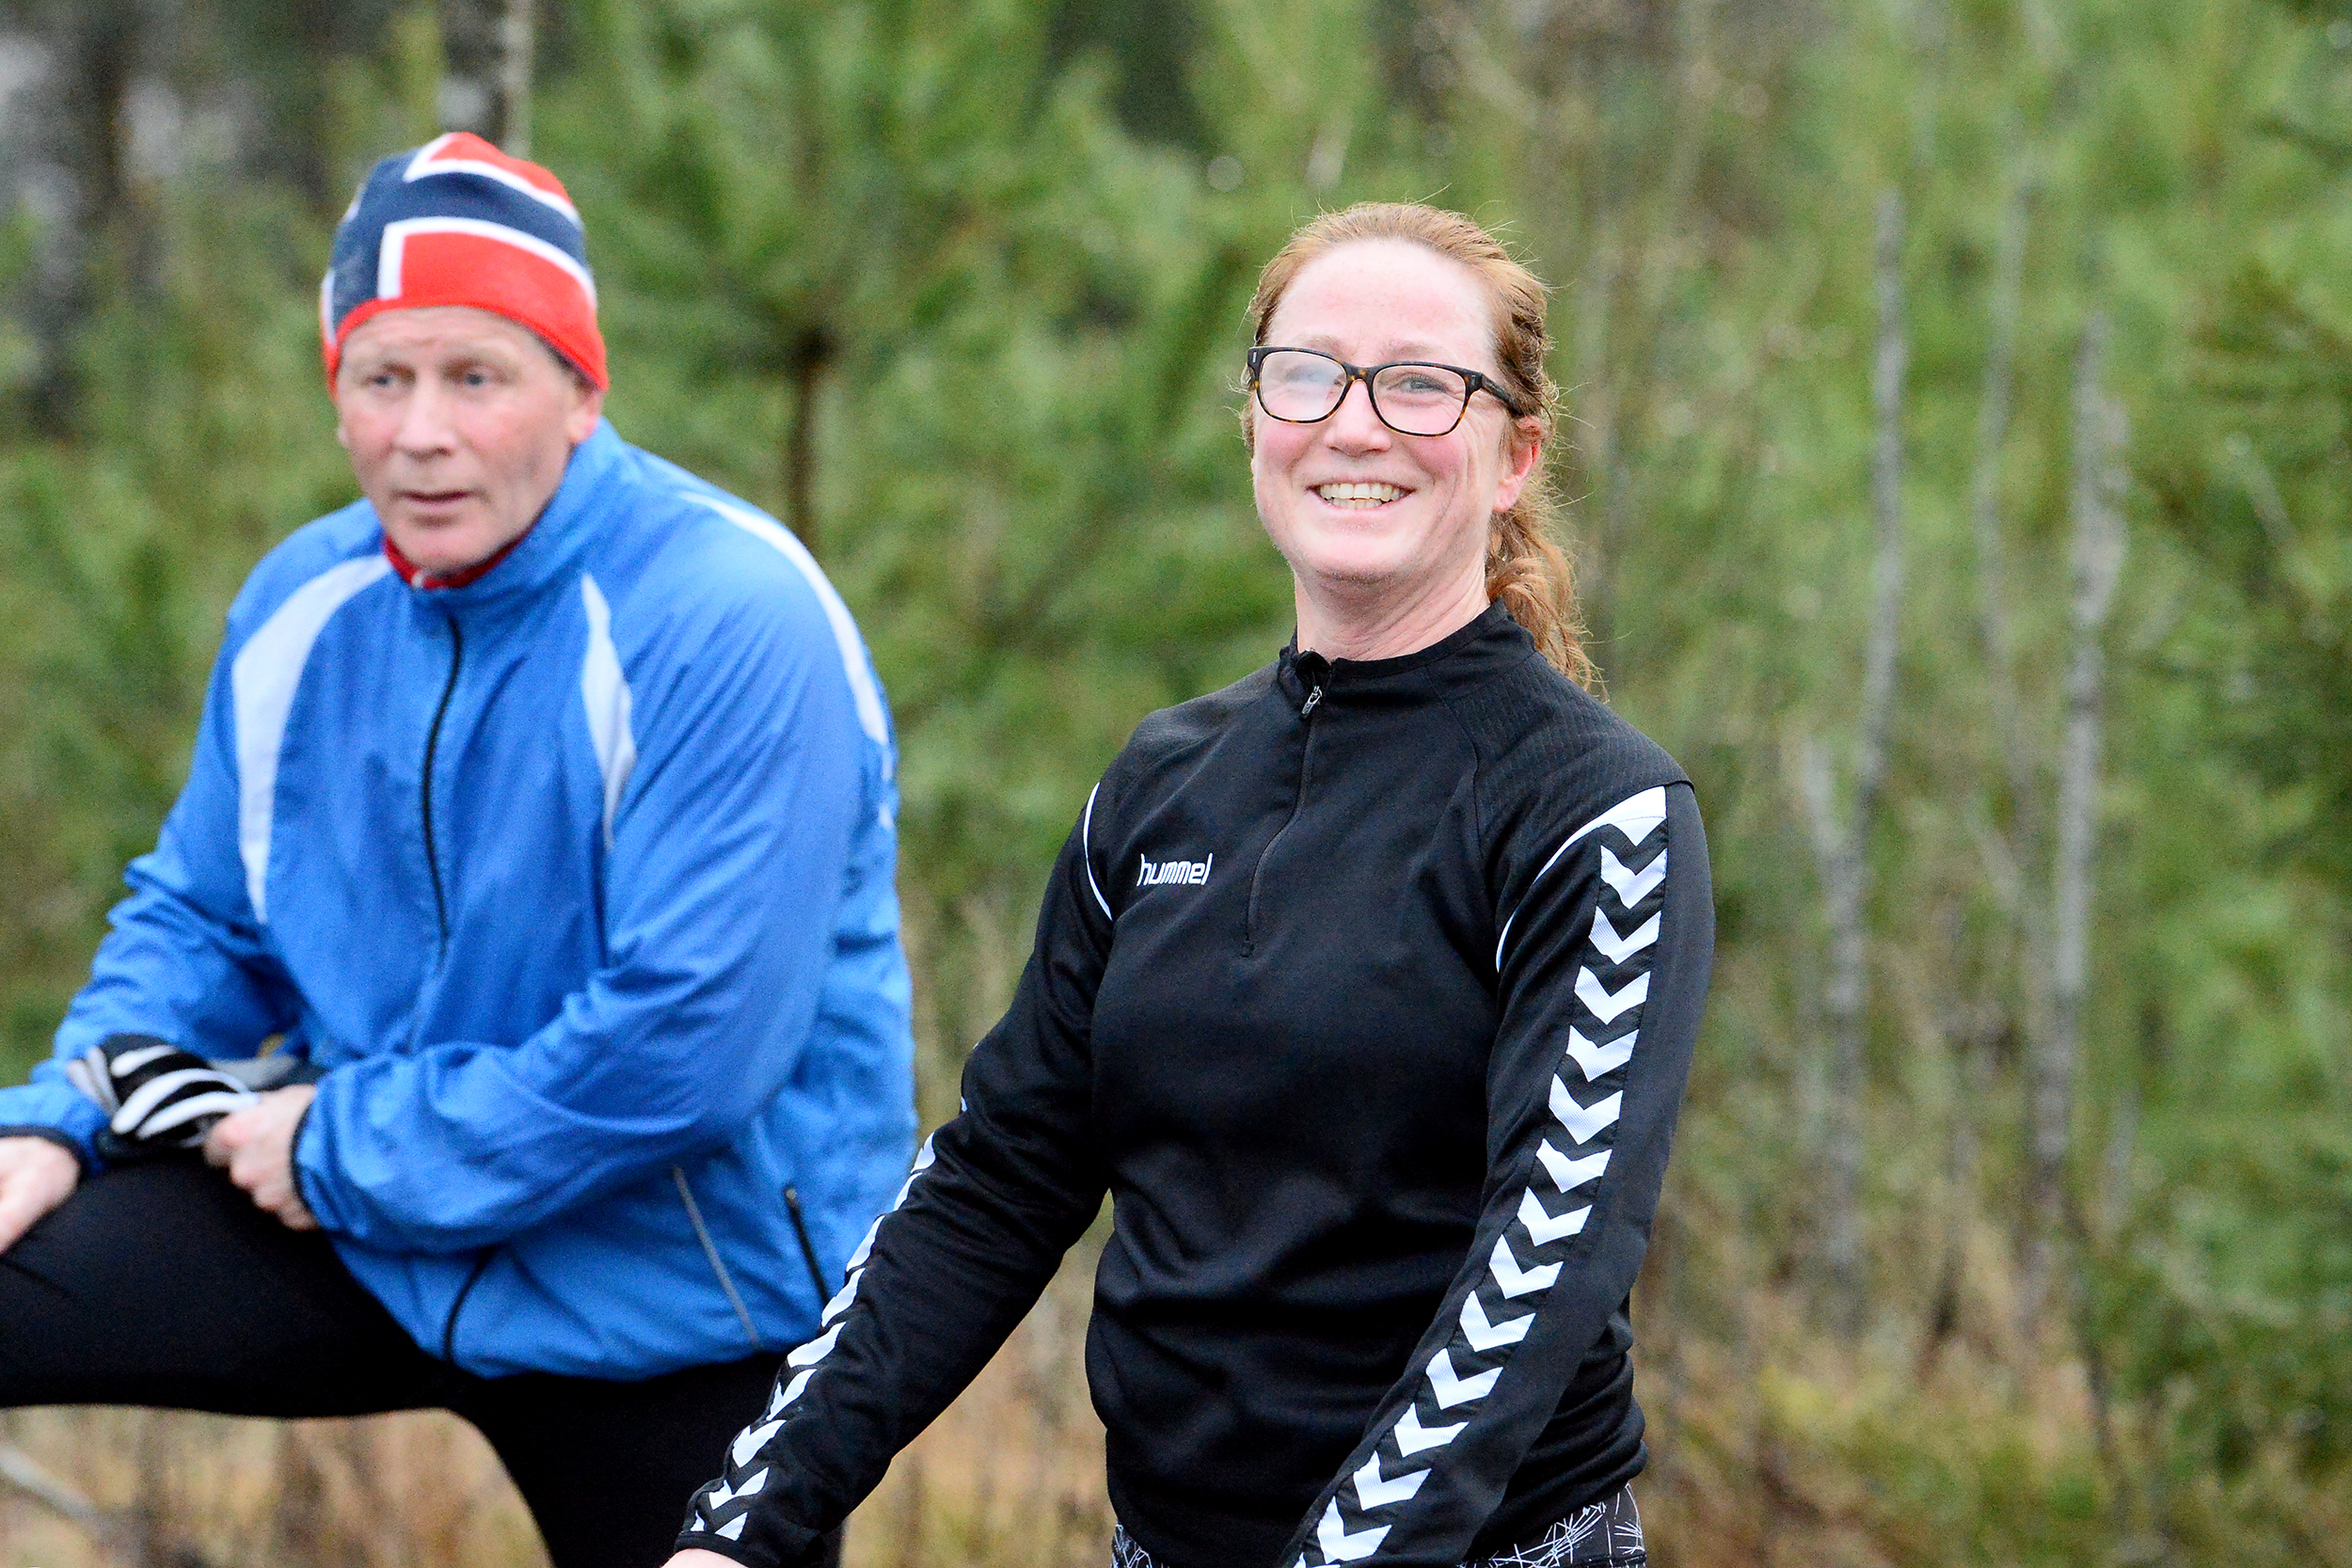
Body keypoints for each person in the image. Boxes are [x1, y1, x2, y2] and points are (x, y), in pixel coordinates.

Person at [666, 201, 1713, 1568]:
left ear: (1515, 453)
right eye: (1307, 373)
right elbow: (996, 1185)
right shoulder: (1164, 783)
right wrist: (745, 1523)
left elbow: (1547, 1261)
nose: (1355, 423)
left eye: (1421, 384)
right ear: (1256, 423)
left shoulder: (1593, 812)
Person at [0, 133, 914, 1568]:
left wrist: (346, 1147)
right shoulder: (305, 602)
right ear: (340, 398)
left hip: (675, 1292)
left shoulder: (731, 616)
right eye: (383, 377)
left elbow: (686, 1052)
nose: (422, 432)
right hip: (374, 1234)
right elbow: (200, 919)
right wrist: (59, 1116)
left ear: (578, 389)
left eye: (475, 377)